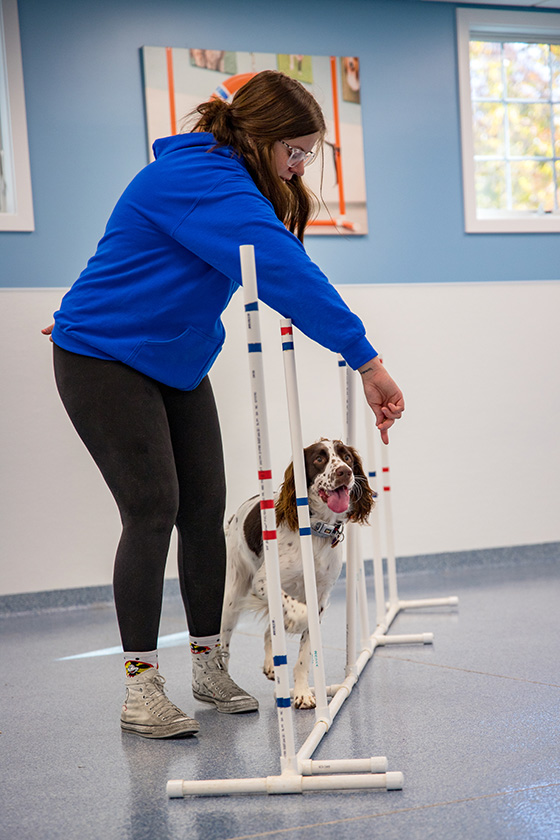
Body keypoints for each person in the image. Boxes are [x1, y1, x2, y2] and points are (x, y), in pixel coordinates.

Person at [43, 70, 404, 740]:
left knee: (204, 508)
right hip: (102, 358)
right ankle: (141, 688)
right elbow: (286, 274)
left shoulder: (232, 181)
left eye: (308, 155)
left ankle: (209, 666)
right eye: (294, 151)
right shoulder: (205, 177)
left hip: (173, 359)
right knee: (154, 507)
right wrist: (367, 360)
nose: (298, 167)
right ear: (259, 137)